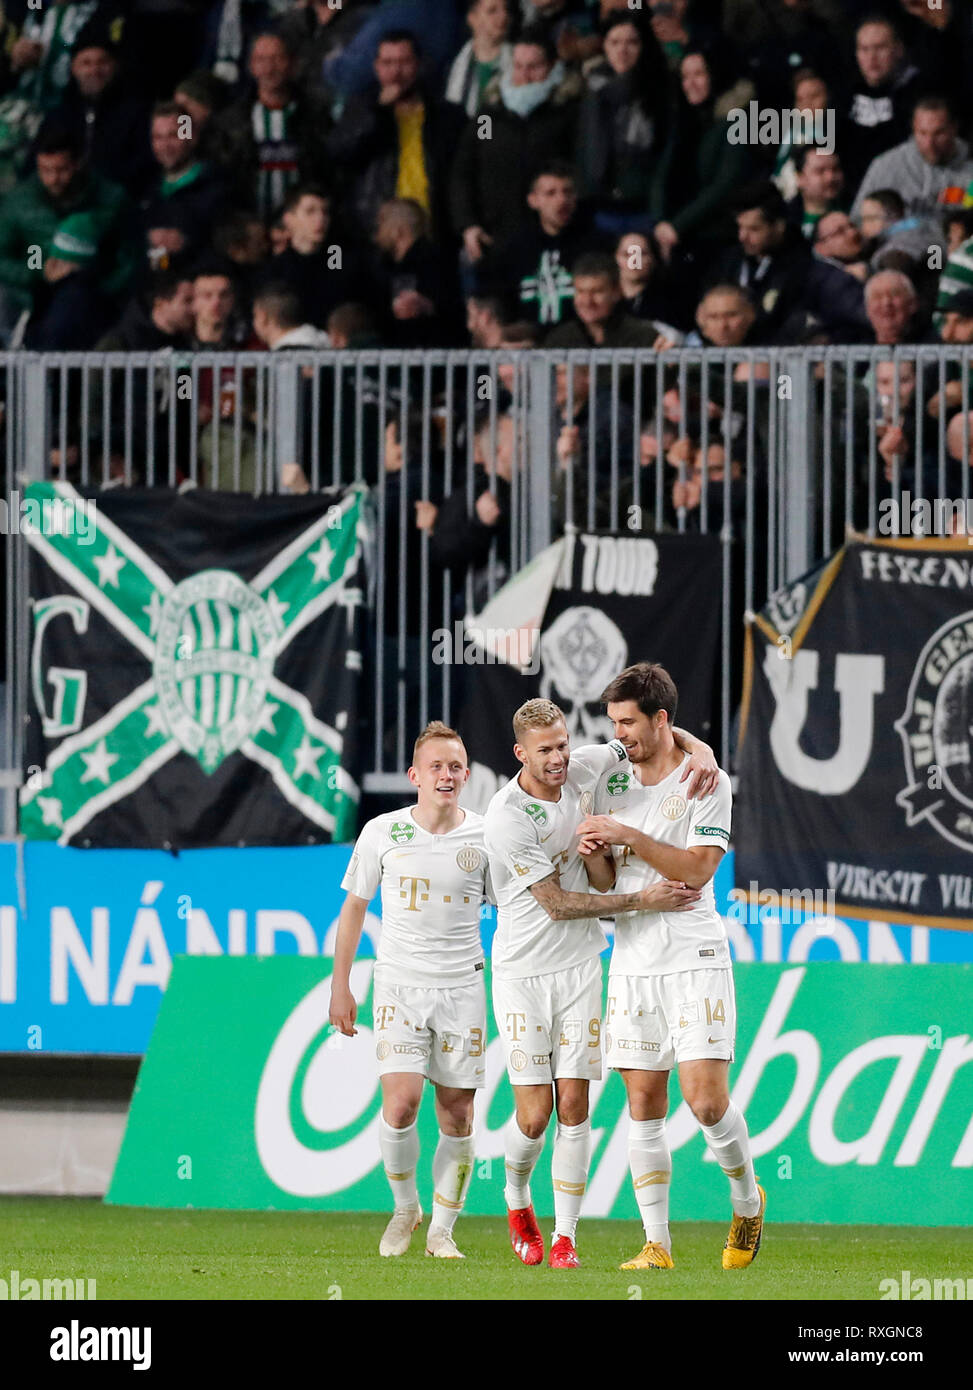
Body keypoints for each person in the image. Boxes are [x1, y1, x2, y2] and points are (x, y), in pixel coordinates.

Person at [483, 697, 717, 1268]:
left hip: (583, 967)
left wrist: (701, 749)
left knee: (576, 1108)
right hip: (522, 972)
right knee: (534, 1116)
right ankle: (516, 1196)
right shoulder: (506, 816)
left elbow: (653, 734)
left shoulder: (586, 765)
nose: (560, 757)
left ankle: (565, 1237)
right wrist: (642, 898)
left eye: (563, 743)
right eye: (546, 751)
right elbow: (558, 906)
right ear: (521, 754)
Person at [576, 662, 764, 1271]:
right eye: (613, 723)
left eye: (628, 722)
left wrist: (627, 832)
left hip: (693, 955)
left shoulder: (706, 780)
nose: (619, 734)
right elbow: (607, 877)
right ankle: (657, 1244)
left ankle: (747, 1200)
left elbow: (697, 869)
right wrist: (597, 854)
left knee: (706, 1103)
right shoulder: (609, 782)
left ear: (662, 720)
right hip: (632, 960)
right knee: (643, 1103)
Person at [329, 721, 491, 1260]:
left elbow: (515, 910)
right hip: (398, 984)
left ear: (466, 775)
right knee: (400, 1106)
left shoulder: (487, 837)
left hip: (463, 987)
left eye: (455, 767)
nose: (446, 775)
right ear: (414, 775)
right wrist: (341, 987)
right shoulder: (381, 831)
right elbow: (354, 908)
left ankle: (443, 1230)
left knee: (458, 1115)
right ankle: (406, 1208)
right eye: (436, 767)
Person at [850, 98, 973, 253]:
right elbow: (856, 220)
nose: (929, 143)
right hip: (895, 254)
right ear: (913, 129)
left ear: (954, 128)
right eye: (922, 133)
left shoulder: (969, 170)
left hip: (955, 258)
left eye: (938, 133)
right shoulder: (887, 165)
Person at [445, 0, 514, 117]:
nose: (503, 16)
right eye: (492, 11)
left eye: (506, 9)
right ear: (472, 19)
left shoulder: (520, 60)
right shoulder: (456, 64)